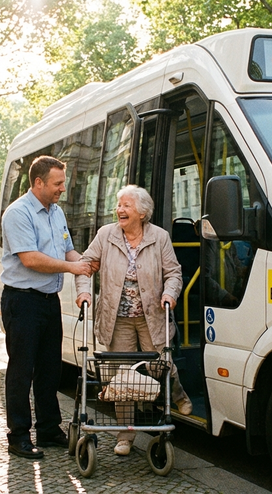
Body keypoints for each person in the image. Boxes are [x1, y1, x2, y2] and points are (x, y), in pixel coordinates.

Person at [75, 185, 193, 457]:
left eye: (126, 205)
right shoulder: (106, 235)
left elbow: (174, 273)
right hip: (118, 319)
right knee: (123, 377)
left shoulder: (159, 237)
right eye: (119, 205)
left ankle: (178, 395)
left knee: (160, 364)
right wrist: (83, 291)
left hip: (151, 314)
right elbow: (85, 265)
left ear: (142, 212)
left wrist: (170, 293)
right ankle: (125, 436)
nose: (120, 210)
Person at [0, 155, 93, 460]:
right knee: (21, 371)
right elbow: (30, 258)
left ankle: (49, 429)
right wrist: (73, 268)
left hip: (48, 301)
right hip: (22, 302)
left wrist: (88, 261)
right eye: (58, 183)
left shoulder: (56, 212)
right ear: (38, 182)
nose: (63, 189)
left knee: (51, 369)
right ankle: (18, 436)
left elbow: (67, 251)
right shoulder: (18, 213)